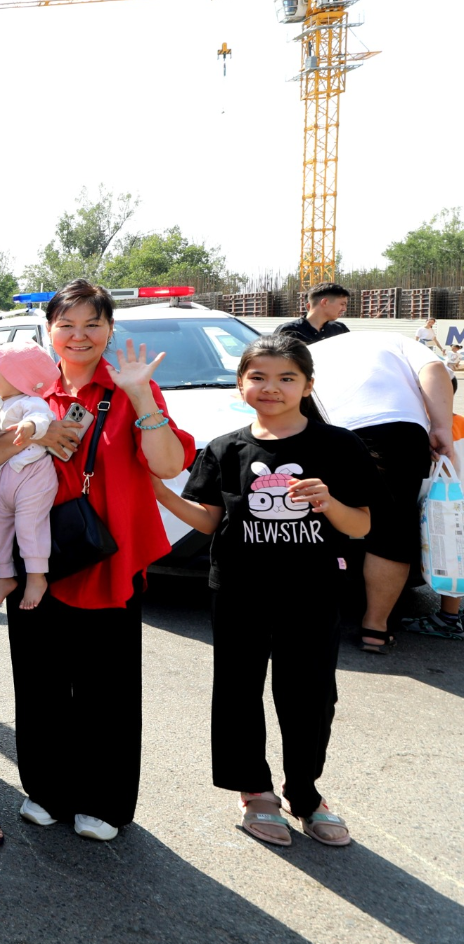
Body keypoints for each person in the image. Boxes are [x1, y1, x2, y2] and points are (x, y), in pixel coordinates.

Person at [0, 279, 194, 842]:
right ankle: (46, 789)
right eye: (66, 324)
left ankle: (104, 801)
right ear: (49, 331)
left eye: (92, 324)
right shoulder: (27, 393)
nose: (79, 335)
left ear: (110, 331)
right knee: (39, 681)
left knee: (106, 690)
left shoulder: (129, 390)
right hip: (38, 560)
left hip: (106, 556)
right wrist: (33, 438)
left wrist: (142, 397)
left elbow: (167, 464)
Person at [154, 335, 367, 848]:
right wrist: (158, 490)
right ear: (241, 384)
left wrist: (329, 502)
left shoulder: (338, 446)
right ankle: (255, 791)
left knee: (311, 696)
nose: (271, 388)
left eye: (286, 378)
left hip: (312, 592)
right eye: (259, 377)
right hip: (239, 591)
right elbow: (208, 521)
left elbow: (360, 526)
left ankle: (306, 793)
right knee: (238, 692)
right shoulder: (225, 449)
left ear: (308, 385)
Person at [307, 331, 455, 652]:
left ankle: (307, 619)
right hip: (393, 429)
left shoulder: (309, 349)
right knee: (392, 526)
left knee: (315, 517)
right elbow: (434, 371)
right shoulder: (398, 341)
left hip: (323, 427)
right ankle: (375, 628)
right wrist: (441, 426)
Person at [0, 339, 61, 612]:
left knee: (31, 527)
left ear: (18, 377)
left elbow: (42, 418)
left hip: (33, 475)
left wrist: (29, 426)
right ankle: (4, 575)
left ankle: (37, 577)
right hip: (4, 478)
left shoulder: (31, 401)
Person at [275, 282, 350, 344]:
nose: (344, 309)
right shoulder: (290, 331)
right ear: (325, 302)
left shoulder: (340, 330)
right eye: (342, 304)